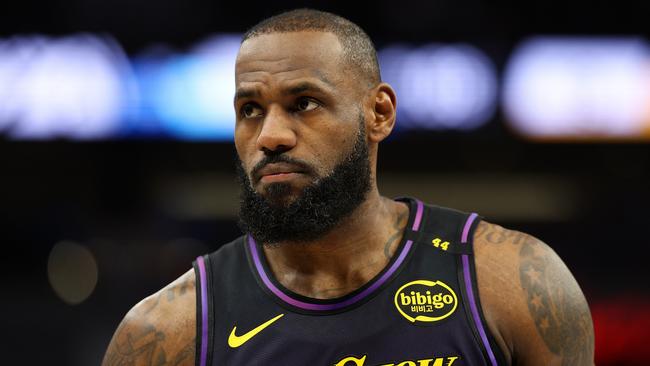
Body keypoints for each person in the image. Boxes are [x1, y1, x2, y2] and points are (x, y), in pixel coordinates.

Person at [102, 9, 594, 366]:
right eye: (249, 109)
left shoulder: (512, 282)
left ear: (378, 113)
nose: (270, 136)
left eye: (305, 103)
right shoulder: (167, 331)